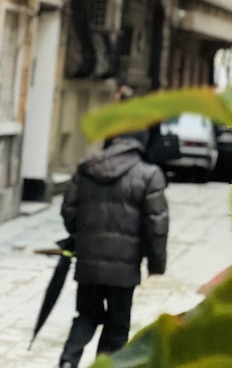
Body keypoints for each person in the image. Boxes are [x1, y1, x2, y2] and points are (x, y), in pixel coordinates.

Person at [58, 132, 169, 368]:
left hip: (89, 262)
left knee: (86, 314)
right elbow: (156, 225)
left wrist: (81, 237)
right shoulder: (149, 174)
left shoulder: (87, 168)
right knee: (118, 324)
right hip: (125, 267)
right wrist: (156, 263)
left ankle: (68, 361)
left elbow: (68, 209)